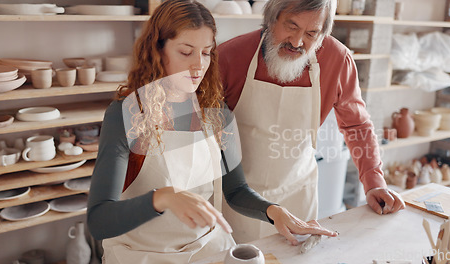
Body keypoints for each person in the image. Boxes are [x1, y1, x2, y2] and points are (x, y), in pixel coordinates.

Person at [87, 0, 337, 263]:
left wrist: (274, 212)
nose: (198, 65)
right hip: (140, 254)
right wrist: (163, 198)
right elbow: (100, 221)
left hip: (206, 249)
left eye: (206, 52)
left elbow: (236, 190)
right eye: (186, 52)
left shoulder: (216, 113)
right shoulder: (125, 115)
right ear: (157, 51)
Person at [218, 0, 406, 243]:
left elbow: (357, 125)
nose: (297, 42)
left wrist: (373, 182)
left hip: (297, 195)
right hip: (238, 199)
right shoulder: (230, 56)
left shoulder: (337, 59)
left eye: (311, 33)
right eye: (291, 26)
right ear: (271, 19)